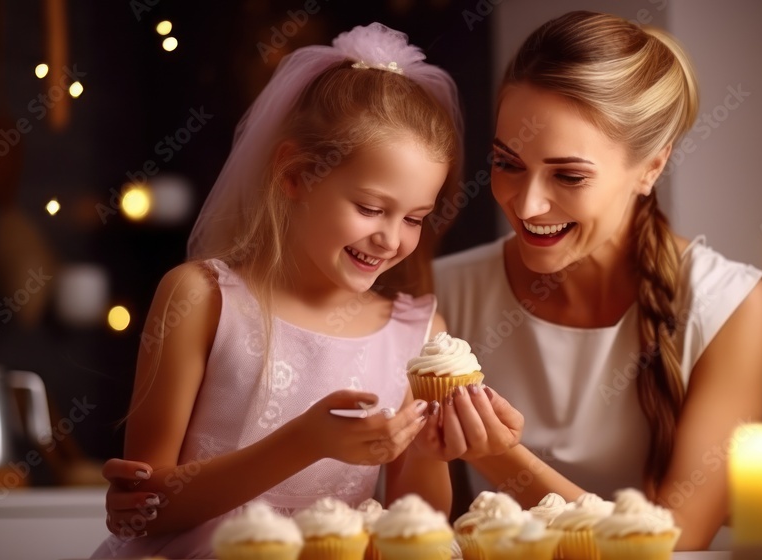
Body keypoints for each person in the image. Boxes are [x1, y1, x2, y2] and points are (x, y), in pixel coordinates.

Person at [103, 11, 762, 551]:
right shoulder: (433, 301)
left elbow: (674, 540)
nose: (526, 204)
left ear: (651, 168)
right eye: (507, 164)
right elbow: (151, 503)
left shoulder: (728, 305)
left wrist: (502, 457)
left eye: (568, 175)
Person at [90, 22, 479, 558]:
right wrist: (305, 441)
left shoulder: (418, 334)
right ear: (295, 174)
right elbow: (144, 509)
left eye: (415, 218)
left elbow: (418, 528)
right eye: (369, 208)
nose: (391, 239)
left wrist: (433, 452)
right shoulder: (201, 298)